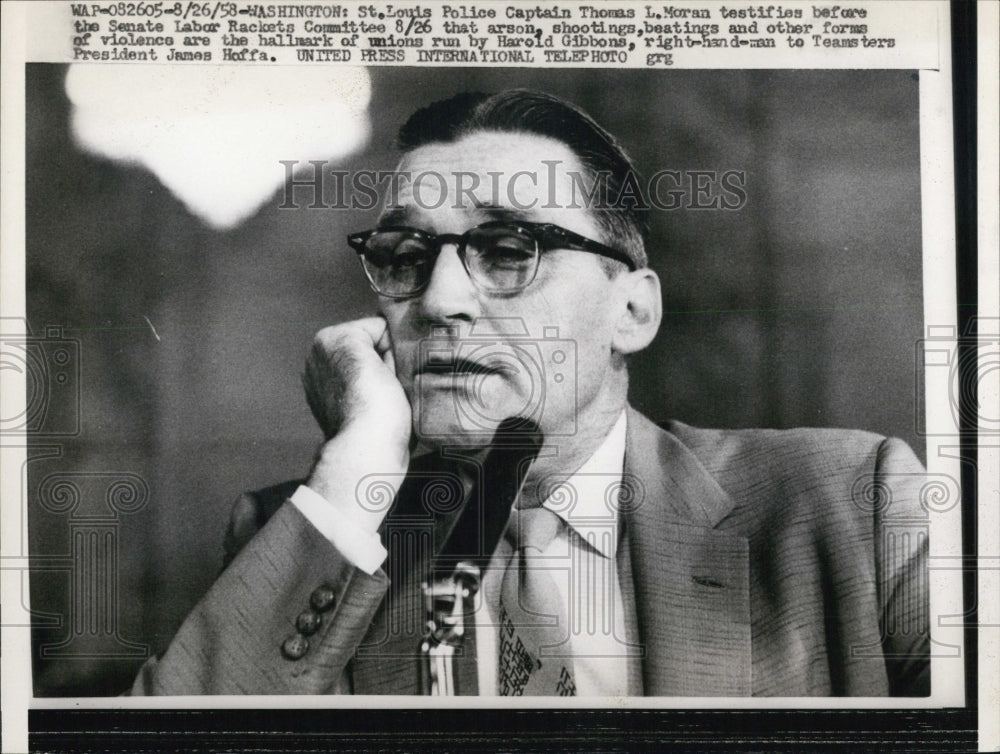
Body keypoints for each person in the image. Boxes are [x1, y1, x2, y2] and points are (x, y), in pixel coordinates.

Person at [131, 90, 929, 697]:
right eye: (405, 254)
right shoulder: (313, 534)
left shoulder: (856, 504)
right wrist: (354, 468)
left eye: (509, 248)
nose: (441, 301)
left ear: (632, 310)